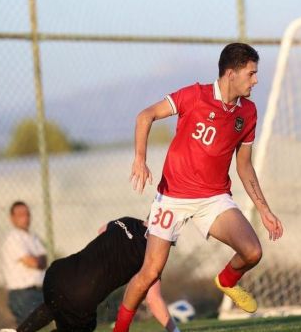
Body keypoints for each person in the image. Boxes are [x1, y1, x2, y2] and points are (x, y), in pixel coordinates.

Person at [114, 43, 284, 332]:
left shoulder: (249, 112)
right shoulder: (194, 95)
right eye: (251, 73)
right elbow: (145, 116)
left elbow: (244, 165)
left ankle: (227, 280)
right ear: (231, 73)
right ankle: (120, 329)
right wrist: (140, 159)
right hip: (171, 198)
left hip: (214, 198)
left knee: (253, 252)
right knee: (150, 272)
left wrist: (264, 210)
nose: (255, 80)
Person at [0, 217, 179, 332]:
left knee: (57, 304)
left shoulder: (127, 221)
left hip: (58, 273)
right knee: (77, 317)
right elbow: (153, 300)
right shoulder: (152, 257)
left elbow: (102, 230)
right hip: (81, 297)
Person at [2, 201, 47, 325]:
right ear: (12, 218)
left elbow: (44, 260)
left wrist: (37, 261)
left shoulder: (33, 237)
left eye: (27, 214)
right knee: (29, 327)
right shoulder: (13, 238)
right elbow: (34, 263)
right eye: (20, 215)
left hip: (38, 291)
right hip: (22, 294)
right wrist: (36, 261)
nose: (25, 218)